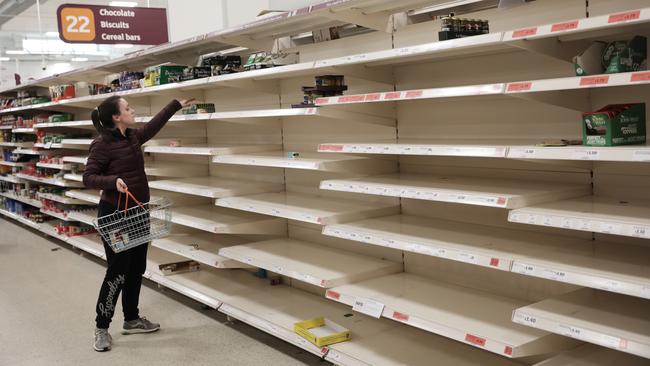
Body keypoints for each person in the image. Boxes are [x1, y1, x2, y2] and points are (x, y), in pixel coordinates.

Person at [83, 96, 194, 352]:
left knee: (136, 268)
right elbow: (88, 177)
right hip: (115, 216)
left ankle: (131, 319)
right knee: (117, 271)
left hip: (138, 213)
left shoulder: (132, 137)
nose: (133, 111)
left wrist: (175, 104)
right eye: (128, 108)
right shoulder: (101, 145)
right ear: (116, 117)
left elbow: (154, 125)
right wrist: (113, 182)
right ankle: (101, 327)